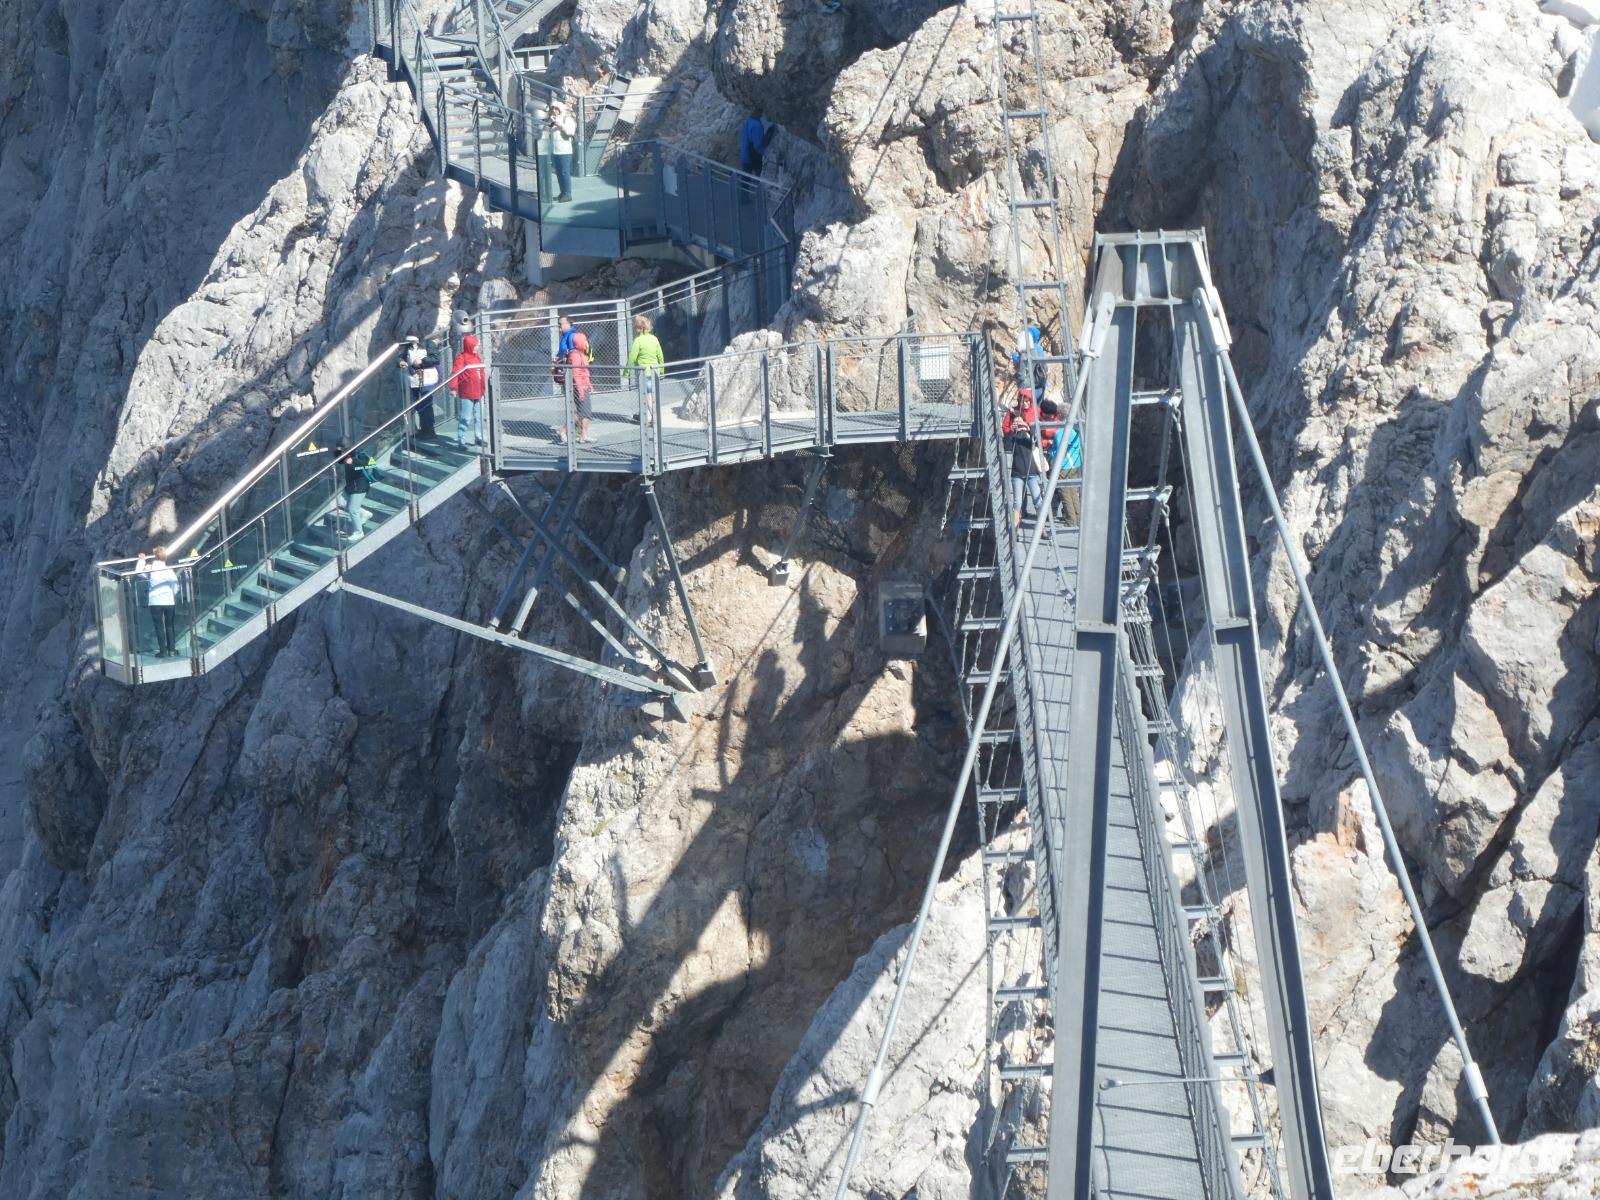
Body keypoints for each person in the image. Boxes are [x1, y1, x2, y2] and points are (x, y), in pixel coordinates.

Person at [1002, 388, 1044, 531]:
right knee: (1018, 502)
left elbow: (1038, 438)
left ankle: (1041, 528)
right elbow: (1006, 442)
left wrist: (1028, 429)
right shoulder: (1012, 415)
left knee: (1038, 501)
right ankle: (1015, 527)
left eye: (1028, 401)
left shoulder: (1035, 413)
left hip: (1031, 469)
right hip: (1018, 471)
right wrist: (1012, 430)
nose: (1025, 403)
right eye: (1023, 401)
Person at [1038, 398, 1082, 527]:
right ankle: (1077, 517)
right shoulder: (1076, 430)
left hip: (1063, 466)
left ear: (1059, 415)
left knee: (1064, 493)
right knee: (1072, 491)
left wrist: (1048, 451)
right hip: (1075, 464)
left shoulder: (1060, 433)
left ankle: (1070, 520)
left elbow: (1057, 452)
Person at [135, 548, 181, 657]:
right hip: (169, 601)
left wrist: (141, 560)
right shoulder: (169, 570)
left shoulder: (150, 568)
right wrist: (171, 594)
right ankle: (172, 650)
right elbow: (176, 585)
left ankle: (163, 651)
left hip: (155, 601)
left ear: (155, 557)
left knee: (159, 626)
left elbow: (138, 572)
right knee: (170, 626)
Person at [556, 330, 595, 444]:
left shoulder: (582, 355)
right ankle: (563, 430)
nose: (586, 343)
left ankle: (584, 434)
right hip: (579, 388)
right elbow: (577, 374)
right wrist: (581, 390)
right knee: (583, 412)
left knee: (586, 412)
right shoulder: (575, 356)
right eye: (584, 341)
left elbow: (585, 372)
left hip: (583, 386)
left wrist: (589, 385)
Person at [624, 314, 664, 424]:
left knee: (647, 395)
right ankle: (645, 415)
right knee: (652, 394)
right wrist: (661, 370)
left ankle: (654, 418)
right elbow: (660, 356)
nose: (634, 329)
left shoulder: (638, 341)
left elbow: (632, 357)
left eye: (635, 327)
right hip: (654, 371)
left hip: (644, 373)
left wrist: (626, 371)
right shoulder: (654, 339)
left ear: (639, 328)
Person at [451, 333, 488, 448]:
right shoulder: (461, 358)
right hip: (467, 393)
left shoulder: (477, 357)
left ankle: (479, 437)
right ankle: (461, 440)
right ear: (470, 345)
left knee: (479, 417)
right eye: (475, 345)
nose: (477, 347)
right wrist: (453, 388)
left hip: (479, 392)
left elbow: (481, 373)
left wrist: (483, 389)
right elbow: (455, 373)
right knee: (465, 417)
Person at [401, 335, 440, 440]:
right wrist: (400, 362)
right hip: (413, 380)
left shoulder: (428, 344)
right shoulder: (407, 346)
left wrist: (422, 361)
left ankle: (429, 430)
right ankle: (424, 429)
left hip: (427, 379)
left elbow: (436, 358)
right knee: (418, 406)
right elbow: (401, 357)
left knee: (426, 405)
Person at [336, 441, 373, 541]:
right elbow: (338, 461)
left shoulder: (356, 457)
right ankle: (365, 514)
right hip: (351, 486)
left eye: (341, 449)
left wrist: (352, 462)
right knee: (342, 502)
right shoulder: (345, 456)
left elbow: (364, 466)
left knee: (353, 509)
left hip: (360, 487)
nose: (339, 451)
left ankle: (359, 532)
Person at [548, 100, 575, 203]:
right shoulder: (552, 120)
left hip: (565, 151)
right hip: (555, 151)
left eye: (556, 109)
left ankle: (568, 194)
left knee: (564, 172)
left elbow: (570, 132)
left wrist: (561, 125)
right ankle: (563, 192)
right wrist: (549, 125)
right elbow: (547, 132)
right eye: (553, 109)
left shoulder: (567, 119)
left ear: (560, 109)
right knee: (559, 173)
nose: (554, 111)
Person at [740, 109, 773, 175]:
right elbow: (757, 146)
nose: (762, 114)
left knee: (745, 181)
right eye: (761, 112)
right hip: (753, 157)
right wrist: (767, 154)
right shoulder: (757, 125)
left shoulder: (748, 121)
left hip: (744, 154)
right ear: (758, 112)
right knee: (759, 179)